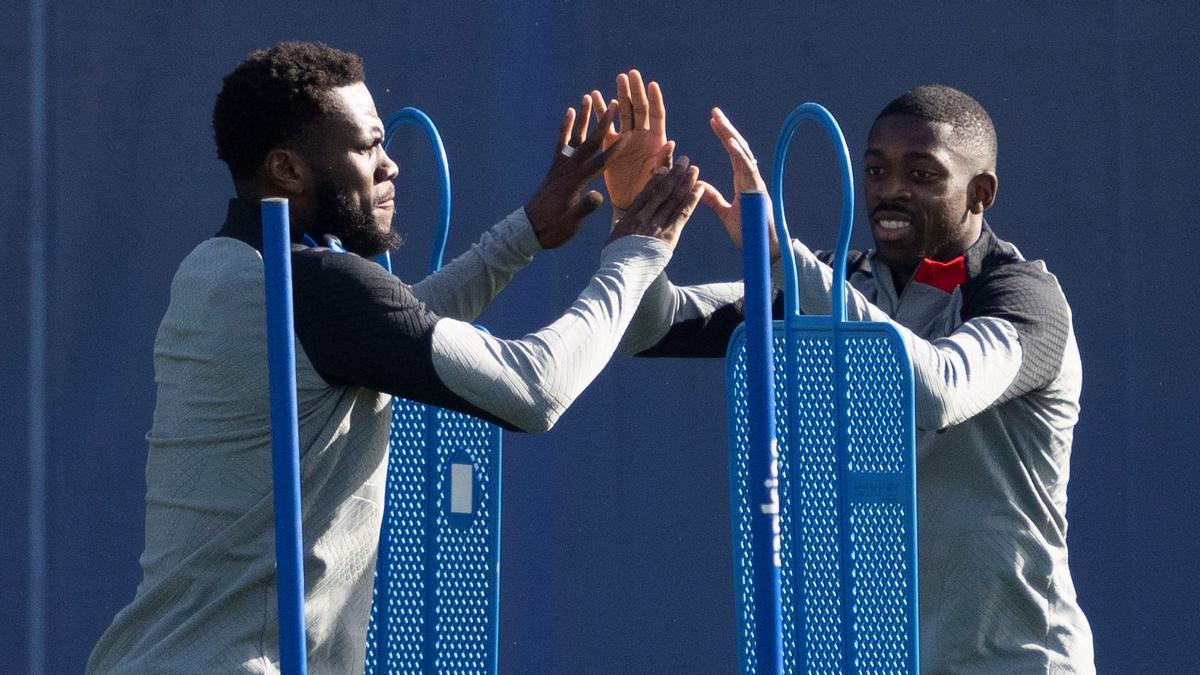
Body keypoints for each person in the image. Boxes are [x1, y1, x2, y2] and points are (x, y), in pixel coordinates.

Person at [86, 44, 703, 674]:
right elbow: (535, 389)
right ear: (288, 169)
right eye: (366, 147)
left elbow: (388, 327)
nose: (391, 167)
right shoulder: (318, 291)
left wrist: (524, 233)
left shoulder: (215, 269)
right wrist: (637, 252)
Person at [600, 73, 1095, 672]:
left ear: (981, 192)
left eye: (921, 174)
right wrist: (634, 225)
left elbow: (935, 390)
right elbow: (645, 329)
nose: (891, 191)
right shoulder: (834, 281)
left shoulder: (1025, 296)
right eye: (878, 171)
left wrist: (782, 258)